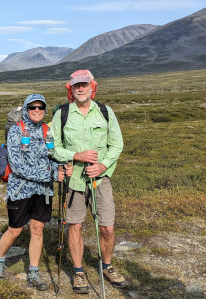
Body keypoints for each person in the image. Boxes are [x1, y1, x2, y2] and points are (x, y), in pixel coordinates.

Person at [50, 70, 127, 294]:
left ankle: (107, 265)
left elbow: (117, 144)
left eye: (84, 84)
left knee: (108, 227)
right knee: (75, 225)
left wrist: (103, 165)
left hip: (100, 180)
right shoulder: (62, 114)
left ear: (92, 87)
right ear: (71, 89)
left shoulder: (105, 111)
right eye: (76, 86)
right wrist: (76, 156)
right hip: (74, 181)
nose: (81, 89)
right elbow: (53, 147)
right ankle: (78, 271)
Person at [0, 93, 72, 291]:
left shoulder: (47, 131)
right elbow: (17, 167)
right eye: (32, 107)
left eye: (40, 107)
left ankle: (34, 273)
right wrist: (49, 175)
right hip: (20, 190)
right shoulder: (16, 131)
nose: (37, 111)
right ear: (26, 109)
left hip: (43, 191)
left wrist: (59, 169)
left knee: (37, 230)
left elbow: (52, 157)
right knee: (15, 230)